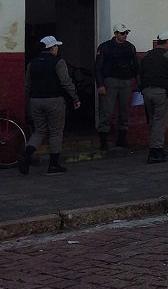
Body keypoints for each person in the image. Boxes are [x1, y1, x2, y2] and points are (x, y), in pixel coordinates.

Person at [19, 36, 81, 175]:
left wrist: (28, 102)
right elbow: (65, 82)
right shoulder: (58, 62)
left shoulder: (32, 63)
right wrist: (75, 97)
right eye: (56, 46)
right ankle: (53, 164)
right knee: (56, 132)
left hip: (36, 100)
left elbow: (27, 85)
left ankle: (26, 156)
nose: (57, 48)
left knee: (39, 131)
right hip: (54, 100)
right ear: (53, 47)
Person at [137, 31, 168, 164]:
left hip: (147, 92)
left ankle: (158, 148)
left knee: (154, 121)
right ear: (167, 42)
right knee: (160, 122)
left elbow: (139, 74)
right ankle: (155, 151)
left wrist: (142, 89)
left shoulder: (147, 55)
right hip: (161, 93)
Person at [95, 23, 139, 150]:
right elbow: (98, 67)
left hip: (126, 81)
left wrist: (139, 83)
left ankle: (122, 138)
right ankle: (103, 139)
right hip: (110, 80)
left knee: (124, 110)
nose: (125, 35)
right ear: (115, 33)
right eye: (122, 33)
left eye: (126, 33)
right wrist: (100, 84)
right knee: (107, 111)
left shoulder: (130, 47)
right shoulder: (105, 47)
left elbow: (136, 66)